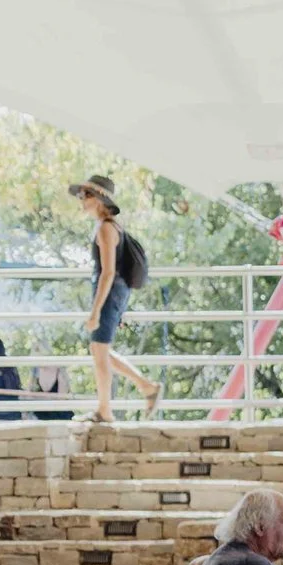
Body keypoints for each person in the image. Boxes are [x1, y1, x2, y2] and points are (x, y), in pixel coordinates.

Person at [67, 174, 161, 422]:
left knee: (99, 352)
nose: (81, 200)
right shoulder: (111, 227)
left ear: (99, 199)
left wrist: (96, 311)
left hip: (109, 294)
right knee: (101, 352)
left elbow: (108, 272)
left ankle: (105, 411)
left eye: (85, 195)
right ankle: (145, 387)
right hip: (115, 294)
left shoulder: (106, 229)